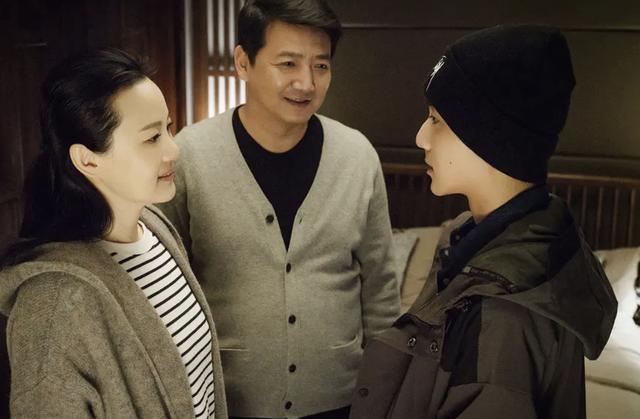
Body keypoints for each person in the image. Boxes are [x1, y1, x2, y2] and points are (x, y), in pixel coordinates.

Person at [349, 24, 617, 419]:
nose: (421, 137)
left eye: (436, 120)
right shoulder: (476, 246)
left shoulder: (502, 316)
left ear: (488, 138)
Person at [158, 0, 400, 417]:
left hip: (340, 400)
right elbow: (164, 282)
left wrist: (382, 392)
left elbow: (380, 288)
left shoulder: (357, 156)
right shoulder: (189, 156)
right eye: (287, 64)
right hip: (227, 401)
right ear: (243, 62)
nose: (306, 83)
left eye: (320, 66)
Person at [0, 49, 228, 418]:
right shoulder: (53, 303)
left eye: (168, 128)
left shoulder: (155, 229)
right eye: (151, 138)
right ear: (87, 159)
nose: (173, 149)